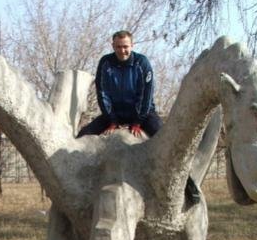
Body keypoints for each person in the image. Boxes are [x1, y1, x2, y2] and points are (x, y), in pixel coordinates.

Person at [77, 30, 200, 204]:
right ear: (113, 46)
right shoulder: (105, 63)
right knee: (82, 135)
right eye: (118, 47)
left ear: (132, 45)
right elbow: (102, 93)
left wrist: (137, 121)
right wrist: (112, 120)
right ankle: (76, 185)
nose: (122, 50)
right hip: (114, 114)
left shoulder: (142, 63)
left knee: (169, 141)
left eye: (125, 46)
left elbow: (146, 95)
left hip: (142, 113)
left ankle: (189, 184)